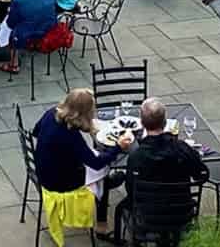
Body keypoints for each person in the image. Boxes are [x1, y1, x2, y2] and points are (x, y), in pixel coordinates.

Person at [34, 88, 132, 243]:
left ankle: (105, 188)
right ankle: (101, 226)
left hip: (43, 170)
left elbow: (36, 131)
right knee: (104, 170)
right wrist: (119, 147)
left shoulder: (52, 113)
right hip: (60, 182)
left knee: (93, 156)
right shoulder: (70, 136)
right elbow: (96, 163)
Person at [111, 98, 209, 242]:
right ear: (164, 122)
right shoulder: (182, 149)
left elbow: (131, 190)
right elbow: (200, 174)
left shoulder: (136, 156)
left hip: (147, 215)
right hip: (181, 213)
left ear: (142, 123)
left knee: (121, 207)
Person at [0, 0, 57, 74]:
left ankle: (13, 64)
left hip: (29, 32)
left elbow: (11, 23)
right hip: (50, 27)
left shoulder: (18, 0)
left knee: (10, 30)